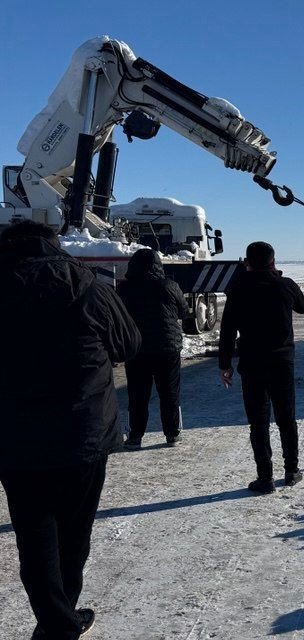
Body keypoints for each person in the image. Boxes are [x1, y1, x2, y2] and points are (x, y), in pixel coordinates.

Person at [0, 220, 140, 639]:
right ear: (53, 245)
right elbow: (128, 344)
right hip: (82, 433)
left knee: (34, 536)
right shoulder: (88, 286)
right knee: (74, 533)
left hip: (14, 437)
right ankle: (61, 621)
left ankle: (56, 620)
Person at [218, 241, 304, 494]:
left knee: (258, 423)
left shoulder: (238, 288)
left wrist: (224, 364)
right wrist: (282, 283)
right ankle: (291, 471)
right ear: (273, 261)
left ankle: (265, 478)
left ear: (247, 262)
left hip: (252, 364)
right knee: (286, 418)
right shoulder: (285, 285)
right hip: (282, 363)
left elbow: (227, 330)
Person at [117, 249, 190, 449]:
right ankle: (172, 434)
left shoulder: (124, 289)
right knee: (169, 392)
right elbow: (184, 311)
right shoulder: (169, 286)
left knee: (137, 395)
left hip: (137, 349)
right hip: (167, 348)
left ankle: (135, 436)